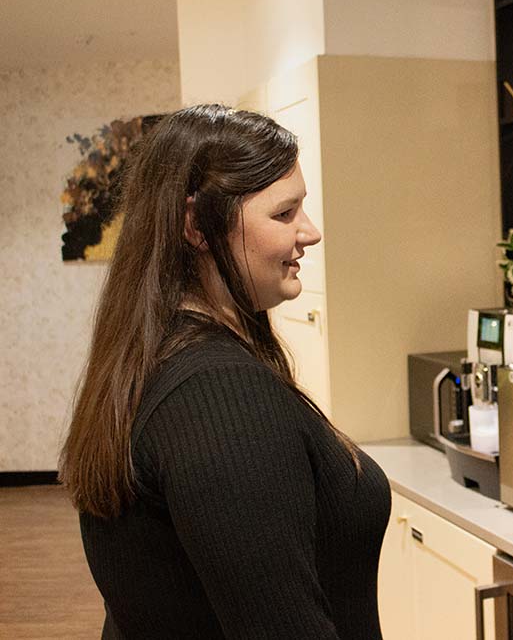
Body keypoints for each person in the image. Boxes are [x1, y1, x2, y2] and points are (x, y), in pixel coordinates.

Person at [60, 104, 390, 639]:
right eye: (284, 215)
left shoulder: (154, 359)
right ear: (197, 225)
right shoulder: (219, 397)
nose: (311, 232)